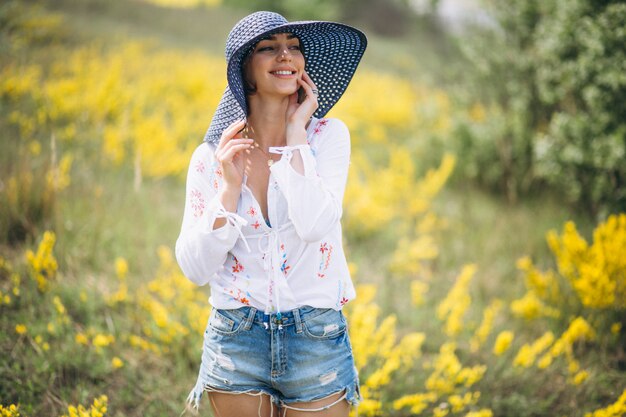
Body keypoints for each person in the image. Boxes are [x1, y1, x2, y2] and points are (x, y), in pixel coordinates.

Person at [175, 10, 367, 417]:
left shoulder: (327, 137)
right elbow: (194, 268)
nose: (286, 56)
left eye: (293, 47)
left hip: (315, 334)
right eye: (269, 48)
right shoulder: (211, 156)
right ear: (245, 71)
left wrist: (296, 139)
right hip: (236, 336)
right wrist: (228, 190)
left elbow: (315, 225)